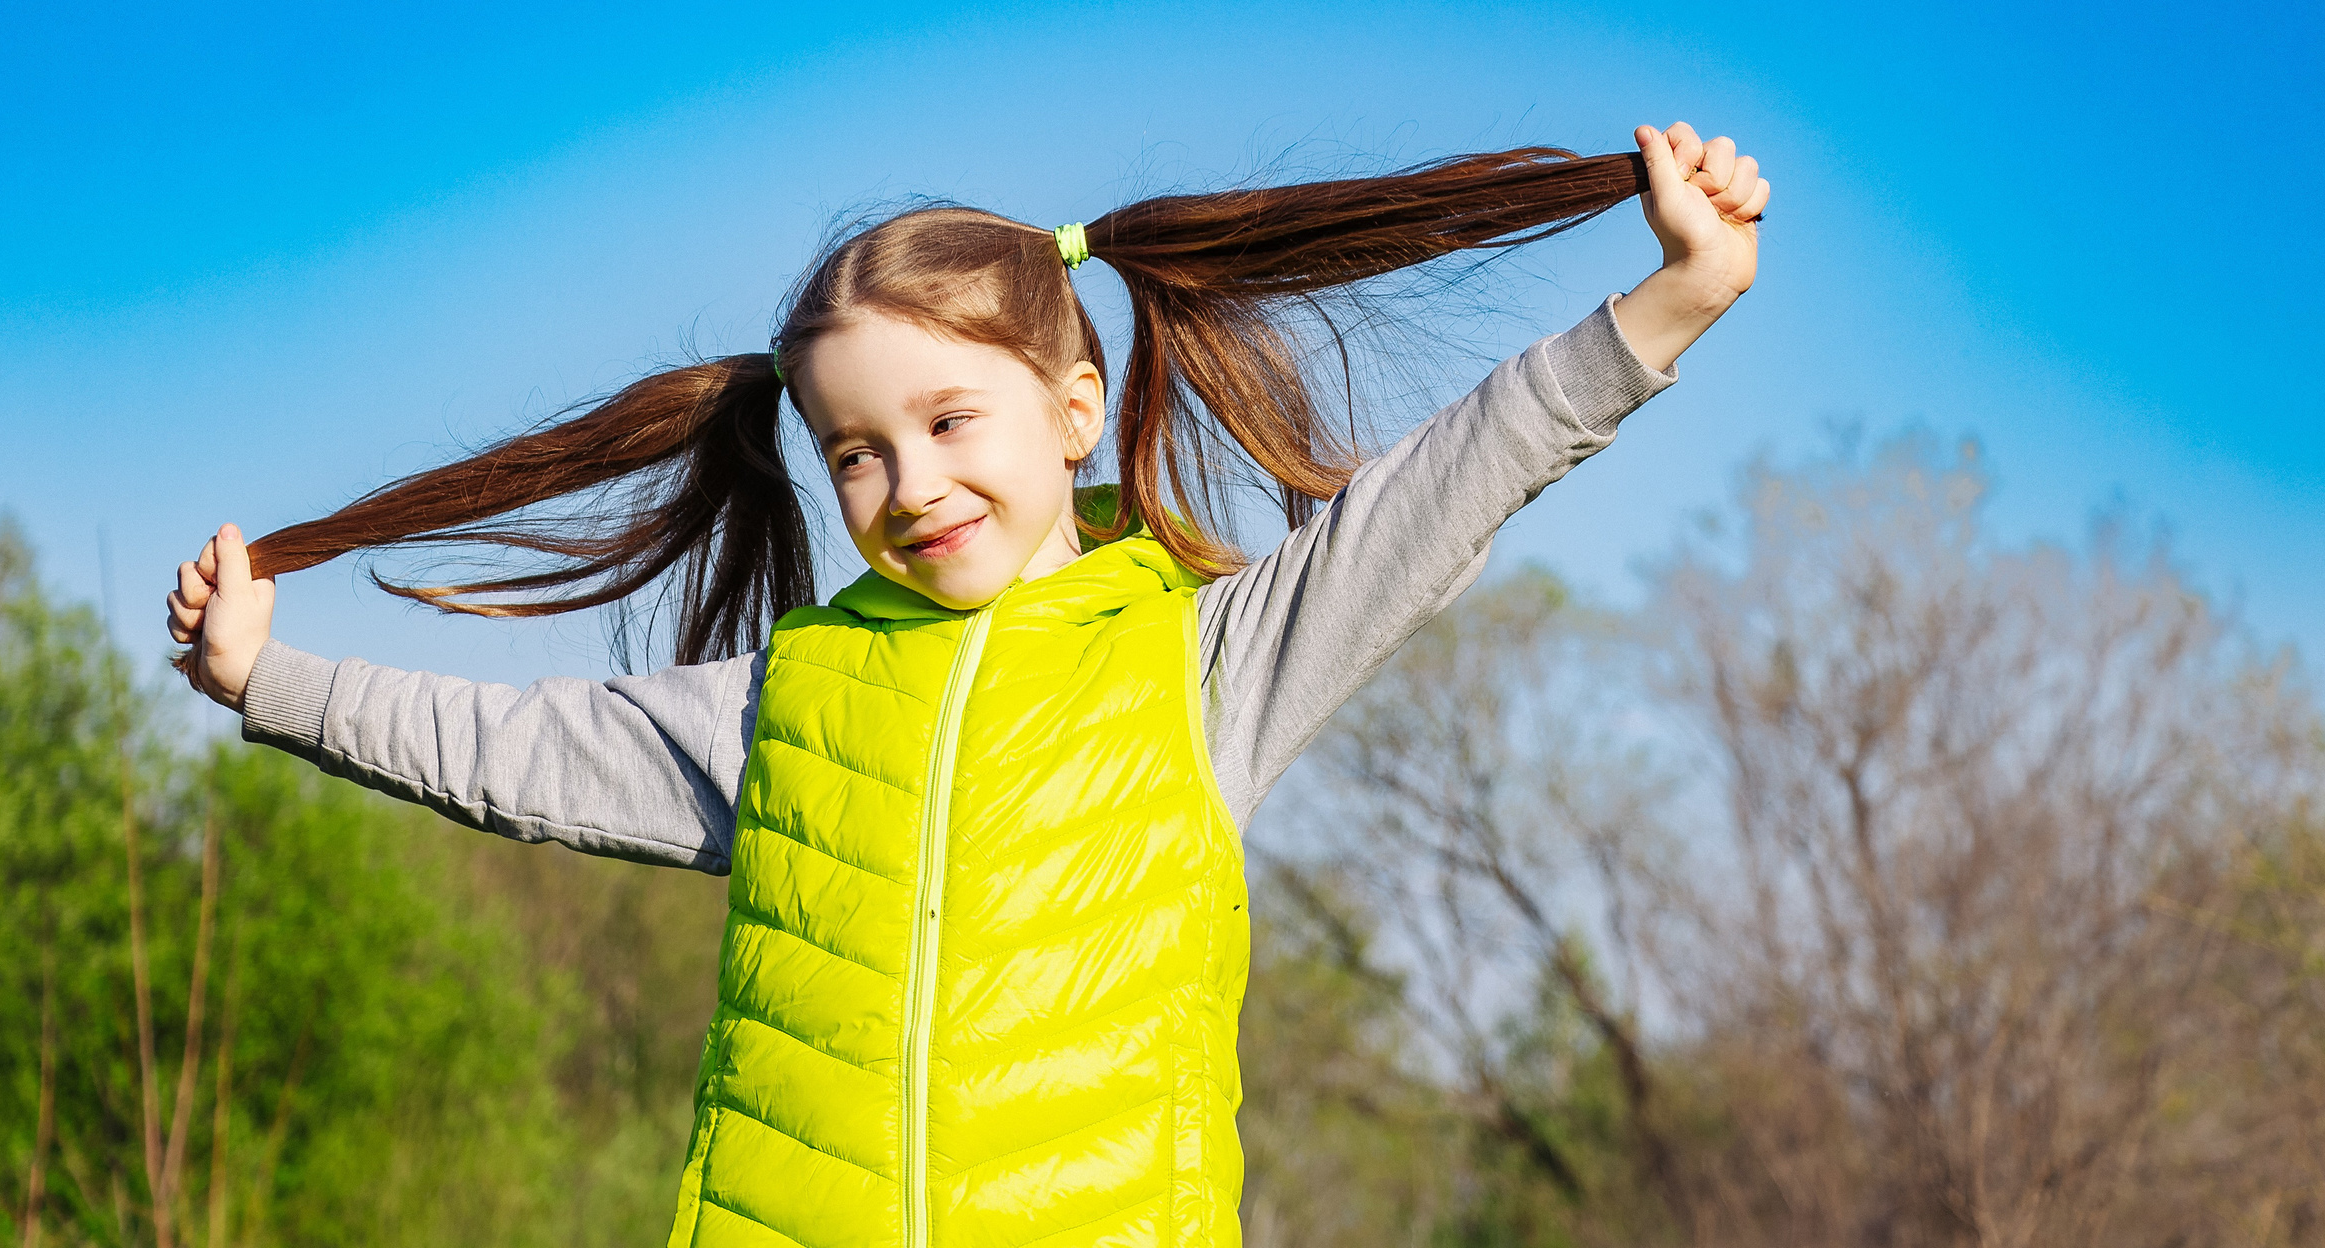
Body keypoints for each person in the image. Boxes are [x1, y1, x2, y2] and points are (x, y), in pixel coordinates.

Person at [167, 121, 1768, 1248]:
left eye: (950, 423)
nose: (907, 480)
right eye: (853, 451)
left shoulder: (1197, 661)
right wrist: (270, 679)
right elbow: (507, 750)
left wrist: (1669, 305)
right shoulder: (787, 701)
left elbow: (1448, 483)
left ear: (1074, 407)